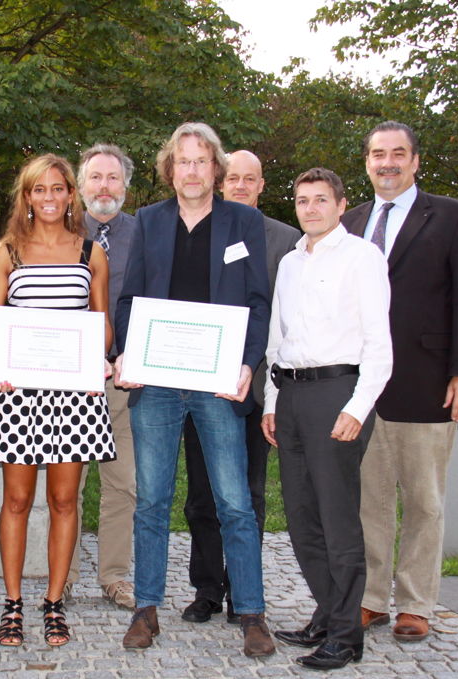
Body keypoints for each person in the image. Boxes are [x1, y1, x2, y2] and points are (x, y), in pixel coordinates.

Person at [114, 122, 274, 657]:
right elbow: (131, 297)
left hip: (217, 381)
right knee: (151, 502)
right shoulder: (149, 222)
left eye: (201, 160)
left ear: (216, 169)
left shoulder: (243, 222)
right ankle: (146, 610)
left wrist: (249, 363)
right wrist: (125, 358)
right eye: (183, 161)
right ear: (170, 169)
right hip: (157, 382)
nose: (191, 170)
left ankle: (251, 612)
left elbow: (257, 302)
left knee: (235, 502)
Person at [341, 121, 458, 642]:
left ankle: (417, 603)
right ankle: (372, 598)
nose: (388, 163)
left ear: (416, 161)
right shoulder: (350, 220)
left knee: (424, 499)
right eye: (378, 154)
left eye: (398, 154)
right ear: (367, 162)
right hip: (361, 388)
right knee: (369, 498)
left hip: (426, 380)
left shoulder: (450, 217)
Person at [0, 154, 116, 648]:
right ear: (27, 197)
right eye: (40, 190)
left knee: (63, 500)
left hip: (75, 394)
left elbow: (102, 325)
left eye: (59, 188)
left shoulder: (90, 252)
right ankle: (12, 604)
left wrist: (93, 359)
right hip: (18, 396)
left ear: (70, 195)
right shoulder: (5, 253)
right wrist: (6, 365)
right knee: (16, 500)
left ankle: (54, 604)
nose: (50, 198)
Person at [263, 168, 392, 670]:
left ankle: (346, 634)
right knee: (301, 517)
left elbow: (379, 346)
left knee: (338, 519)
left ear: (341, 205)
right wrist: (273, 402)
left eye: (321, 200)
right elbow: (278, 339)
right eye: (302, 200)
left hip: (338, 393)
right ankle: (327, 610)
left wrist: (357, 408)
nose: (311, 208)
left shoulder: (363, 258)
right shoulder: (291, 263)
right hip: (291, 395)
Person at [180, 149, 300, 624]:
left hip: (257, 387)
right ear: (220, 181)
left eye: (252, 179)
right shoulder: (202, 229)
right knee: (202, 494)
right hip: (203, 381)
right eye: (234, 178)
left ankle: (242, 592)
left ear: (262, 185)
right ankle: (207, 588)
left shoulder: (287, 240)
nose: (242, 186)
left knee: (248, 493)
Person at [64, 143, 139, 610]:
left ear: (125, 188)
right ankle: (63, 574)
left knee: (122, 484)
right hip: (69, 381)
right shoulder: (59, 233)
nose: (104, 187)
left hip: (124, 381)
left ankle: (114, 577)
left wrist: (130, 355)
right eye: (95, 177)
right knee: (67, 486)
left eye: (113, 178)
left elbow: (152, 301)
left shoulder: (147, 233)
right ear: (80, 185)